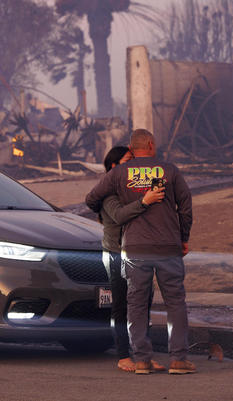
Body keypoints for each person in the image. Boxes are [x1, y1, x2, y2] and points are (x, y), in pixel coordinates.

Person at [86, 129, 195, 375]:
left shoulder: (118, 174)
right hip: (168, 247)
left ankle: (142, 360)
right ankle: (178, 359)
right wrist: (183, 238)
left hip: (134, 249)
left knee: (134, 303)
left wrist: (105, 213)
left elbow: (91, 198)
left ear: (133, 150)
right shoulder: (170, 170)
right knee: (175, 302)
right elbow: (185, 207)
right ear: (151, 144)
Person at [99, 146, 166, 372]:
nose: (134, 166)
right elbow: (119, 215)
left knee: (144, 304)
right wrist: (145, 202)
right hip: (117, 253)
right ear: (114, 166)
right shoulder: (107, 192)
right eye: (129, 161)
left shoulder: (134, 188)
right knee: (121, 305)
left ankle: (143, 355)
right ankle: (122, 355)